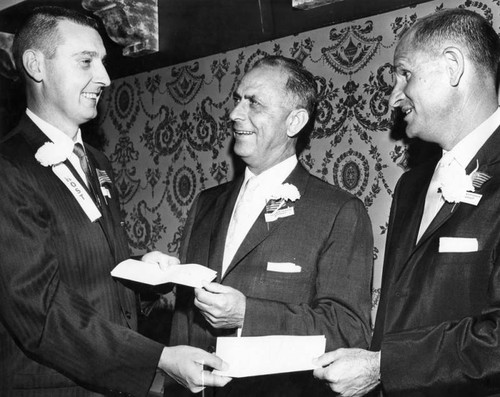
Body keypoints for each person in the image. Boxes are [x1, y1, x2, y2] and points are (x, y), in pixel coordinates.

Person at [0, 6, 230, 396]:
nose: (104, 78)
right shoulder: (8, 167)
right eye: (86, 61)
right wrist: (157, 358)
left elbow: (84, 264)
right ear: (36, 66)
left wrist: (141, 269)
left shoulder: (97, 161)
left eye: (103, 63)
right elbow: (39, 311)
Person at [313, 8, 500, 397]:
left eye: (405, 74)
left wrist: (384, 366)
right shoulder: (411, 186)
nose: (395, 96)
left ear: (452, 66)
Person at [164, 55, 374, 396]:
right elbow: (183, 320)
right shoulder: (206, 203)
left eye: (254, 103)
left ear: (295, 122)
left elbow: (347, 331)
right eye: (237, 100)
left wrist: (248, 314)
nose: (234, 114)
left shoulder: (338, 212)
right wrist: (156, 281)